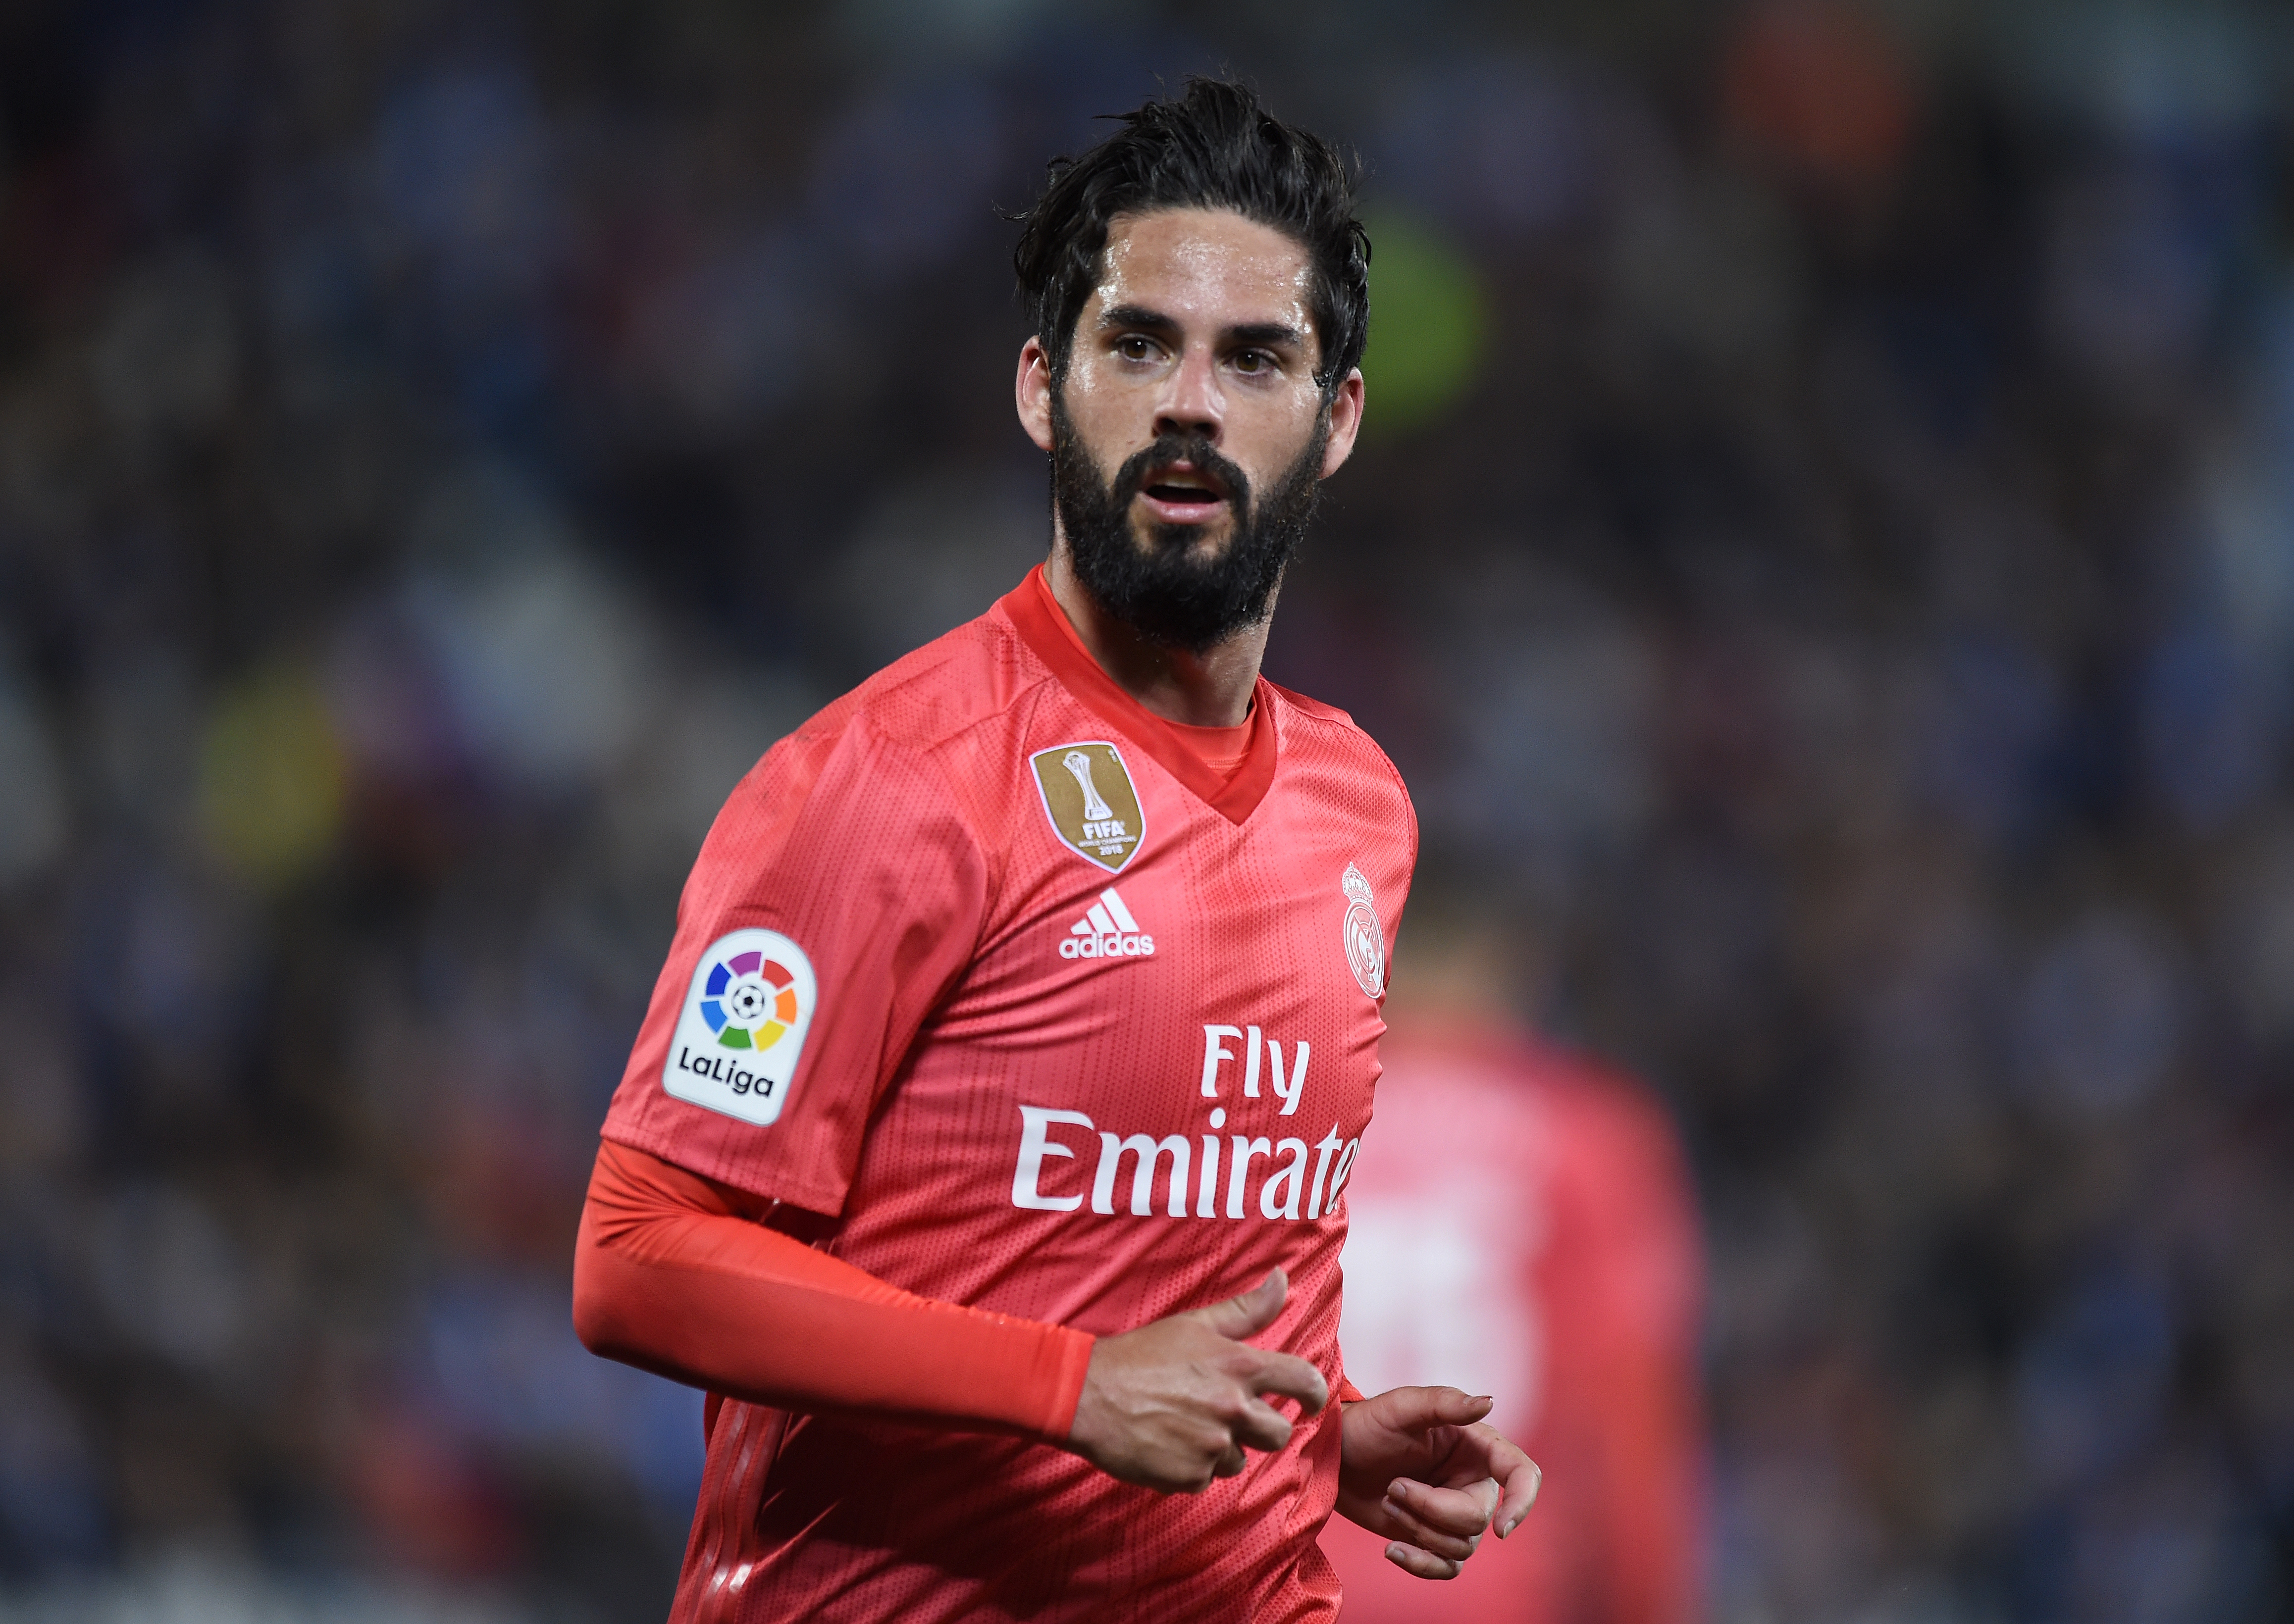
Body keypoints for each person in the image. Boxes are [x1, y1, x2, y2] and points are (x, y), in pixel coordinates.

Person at [570, 78, 1540, 1622]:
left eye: (1256, 358)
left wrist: (1314, 1435)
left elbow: (1146, 1250)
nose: (1190, 403)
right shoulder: (886, 782)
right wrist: (1069, 1385)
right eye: (1138, 341)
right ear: (1043, 384)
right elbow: (639, 1258)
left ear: (1337, 417)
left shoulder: (1361, 808)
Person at [1315, 894, 1707, 1624]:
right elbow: (1630, 1424)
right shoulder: (1586, 1134)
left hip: (1287, 1580)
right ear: (1504, 965)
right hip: (1498, 1586)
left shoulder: (1287, 1110)